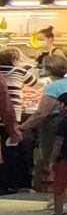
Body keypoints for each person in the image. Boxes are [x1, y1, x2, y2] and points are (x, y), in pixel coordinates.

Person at [22, 54, 67, 191]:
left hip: (54, 124)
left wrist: (22, 127)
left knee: (50, 157)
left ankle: (53, 191)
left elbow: (42, 113)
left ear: (47, 69)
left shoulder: (52, 86)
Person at [0, 49, 33, 194]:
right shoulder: (19, 72)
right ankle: (11, 184)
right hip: (9, 118)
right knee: (10, 151)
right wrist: (13, 128)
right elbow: (6, 106)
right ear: (15, 59)